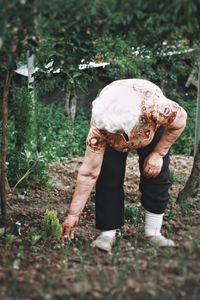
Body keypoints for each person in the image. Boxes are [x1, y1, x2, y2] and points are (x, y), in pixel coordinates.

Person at [60, 79, 187, 252]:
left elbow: (180, 121)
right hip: (112, 134)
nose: (121, 139)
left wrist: (159, 153)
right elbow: (88, 173)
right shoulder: (100, 124)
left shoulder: (156, 107)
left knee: (156, 173)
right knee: (109, 175)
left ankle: (153, 233)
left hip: (150, 129)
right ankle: (108, 233)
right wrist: (73, 214)